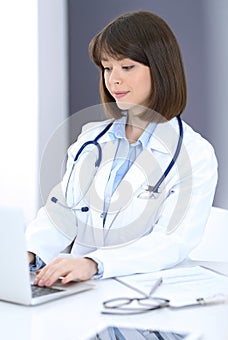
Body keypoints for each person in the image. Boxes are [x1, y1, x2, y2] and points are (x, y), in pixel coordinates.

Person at [26, 10, 218, 287]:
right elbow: (63, 210)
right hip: (81, 288)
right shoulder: (90, 140)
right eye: (107, 67)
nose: (113, 80)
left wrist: (94, 263)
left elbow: (172, 240)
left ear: (161, 69)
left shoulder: (195, 154)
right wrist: (30, 254)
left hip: (145, 294)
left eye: (127, 67)